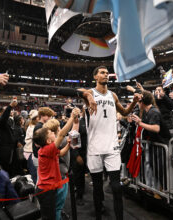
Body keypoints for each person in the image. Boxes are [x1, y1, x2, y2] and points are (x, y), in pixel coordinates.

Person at [84, 66, 140, 220]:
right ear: (95, 76)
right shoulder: (90, 92)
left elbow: (125, 113)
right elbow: (82, 92)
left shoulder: (113, 95)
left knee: (116, 187)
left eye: (107, 73)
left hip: (111, 146)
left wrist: (134, 102)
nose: (106, 75)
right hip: (94, 146)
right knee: (97, 187)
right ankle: (98, 216)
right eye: (102, 73)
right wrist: (89, 98)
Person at [33, 108, 80, 220]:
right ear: (48, 140)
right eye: (52, 133)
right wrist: (73, 119)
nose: (55, 133)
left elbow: (63, 151)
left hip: (48, 186)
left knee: (52, 211)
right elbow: (64, 135)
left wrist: (68, 145)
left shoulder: (46, 148)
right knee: (53, 212)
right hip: (50, 186)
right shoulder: (49, 148)